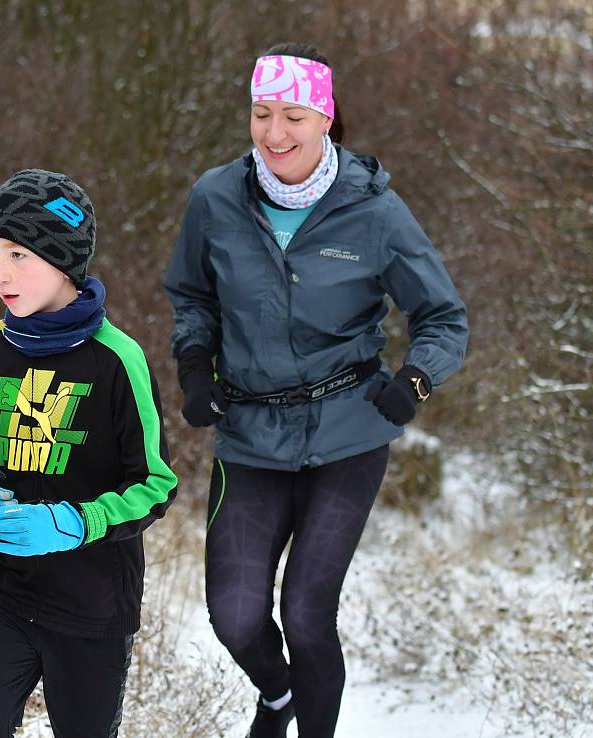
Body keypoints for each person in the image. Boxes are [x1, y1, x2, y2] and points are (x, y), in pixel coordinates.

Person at [163, 43, 469, 738]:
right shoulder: (216, 199)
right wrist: (195, 364)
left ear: (325, 118)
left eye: (293, 115)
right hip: (250, 433)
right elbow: (191, 295)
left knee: (305, 612)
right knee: (235, 615)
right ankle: (277, 698)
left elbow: (443, 315)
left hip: (348, 434)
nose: (275, 133)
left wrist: (415, 380)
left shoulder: (375, 211)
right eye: (262, 113)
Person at [0, 168, 177, 738]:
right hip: (3, 594)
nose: (0, 274)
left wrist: (75, 522)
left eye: (18, 254)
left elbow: (155, 484)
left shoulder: (116, 359)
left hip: (92, 608)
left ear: (64, 258)